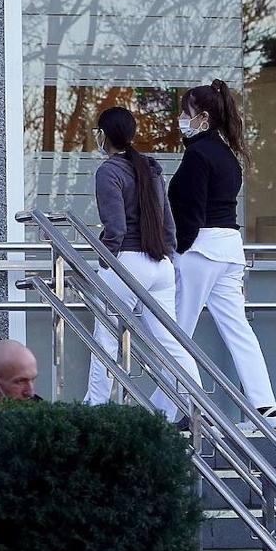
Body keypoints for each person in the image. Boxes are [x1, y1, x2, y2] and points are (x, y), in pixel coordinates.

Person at [161, 80, 276, 430]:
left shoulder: (198, 155)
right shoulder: (228, 155)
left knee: (175, 332)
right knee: (237, 329)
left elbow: (192, 214)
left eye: (185, 114)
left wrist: (175, 251)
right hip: (229, 249)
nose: (181, 120)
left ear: (202, 117)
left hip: (200, 249)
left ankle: (187, 409)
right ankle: (266, 407)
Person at [84, 107, 202, 418]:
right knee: (172, 343)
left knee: (106, 338)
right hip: (159, 263)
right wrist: (169, 254)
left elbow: (116, 228)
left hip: (126, 262)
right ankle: (197, 410)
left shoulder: (108, 172)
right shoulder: (151, 169)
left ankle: (96, 408)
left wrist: (104, 261)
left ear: (104, 136)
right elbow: (168, 224)